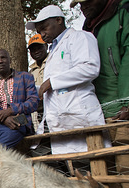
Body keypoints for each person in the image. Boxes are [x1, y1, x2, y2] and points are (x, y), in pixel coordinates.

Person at [26, 5, 108, 154]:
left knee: (90, 164)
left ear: (59, 20)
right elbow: (52, 86)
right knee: (68, 168)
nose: (42, 34)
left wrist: (51, 82)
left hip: (79, 114)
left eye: (44, 28)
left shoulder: (80, 37)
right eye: (39, 32)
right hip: (60, 119)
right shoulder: (53, 51)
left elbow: (90, 67)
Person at [71, 0, 129, 118]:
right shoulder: (88, 26)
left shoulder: (127, 13)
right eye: (80, 4)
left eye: (88, 1)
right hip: (99, 110)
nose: (83, 7)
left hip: (124, 108)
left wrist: (128, 103)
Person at [0, 49, 39, 149]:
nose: (0, 61)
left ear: (9, 60)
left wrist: (10, 110)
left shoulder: (25, 77)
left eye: (3, 57)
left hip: (19, 120)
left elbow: (33, 102)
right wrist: (3, 119)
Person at [28, 34, 49, 132]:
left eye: (39, 47)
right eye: (33, 49)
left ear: (46, 46)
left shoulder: (53, 62)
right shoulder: (31, 72)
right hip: (38, 113)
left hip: (53, 107)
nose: (36, 51)